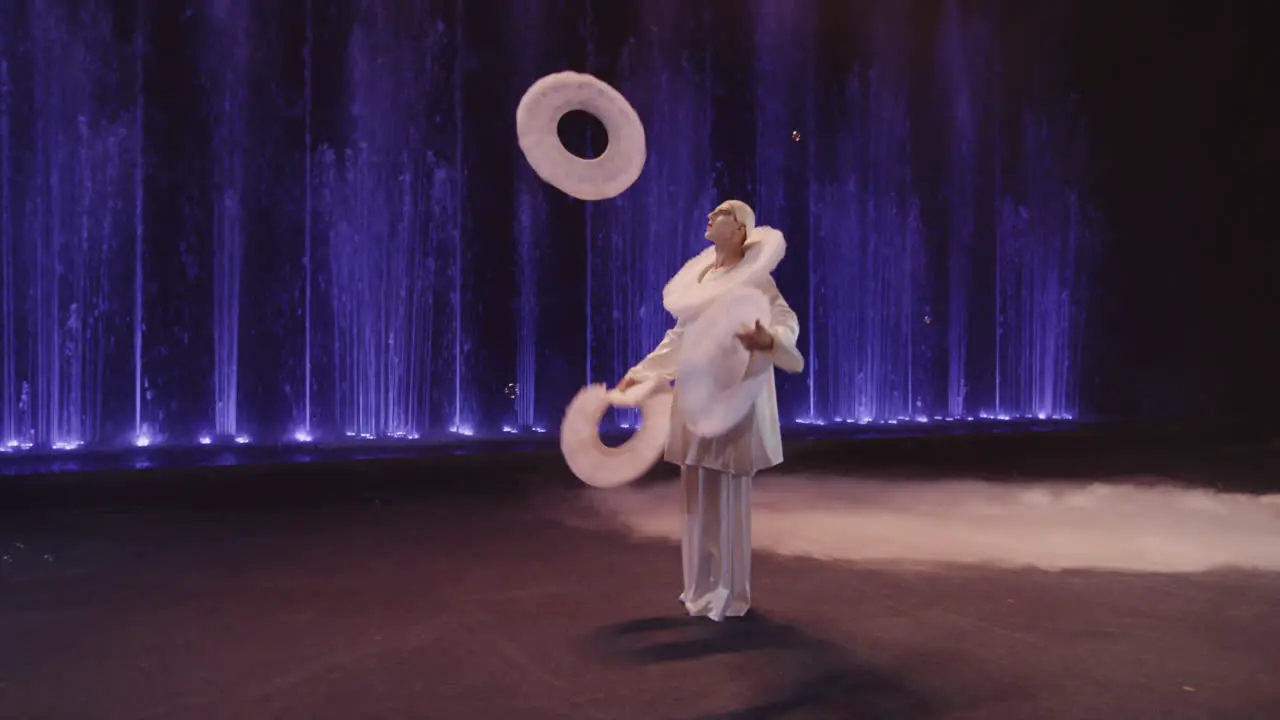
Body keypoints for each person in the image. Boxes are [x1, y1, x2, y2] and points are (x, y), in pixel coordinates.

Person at [615, 200, 802, 622]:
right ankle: (699, 589)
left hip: (731, 394)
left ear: (740, 231)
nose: (710, 217)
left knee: (728, 494)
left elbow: (784, 318)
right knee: (696, 494)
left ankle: (730, 594)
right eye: (713, 213)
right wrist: (642, 373)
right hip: (698, 394)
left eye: (722, 214)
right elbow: (681, 337)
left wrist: (768, 339)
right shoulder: (703, 279)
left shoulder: (755, 279)